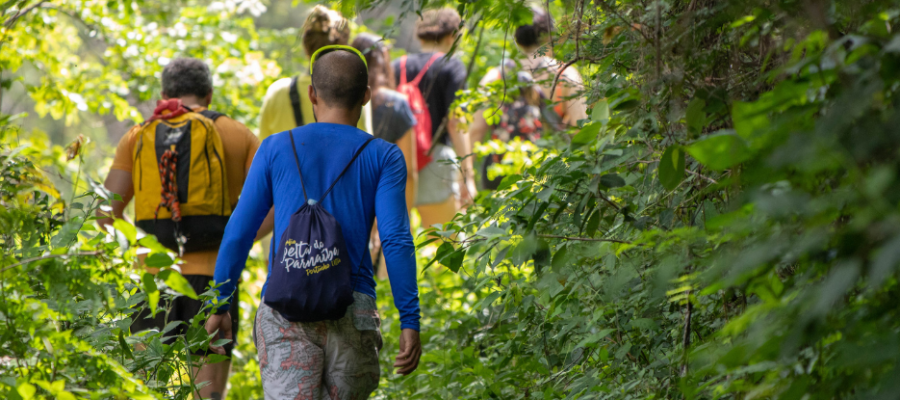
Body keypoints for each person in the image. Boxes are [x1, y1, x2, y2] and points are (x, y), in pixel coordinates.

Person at [205, 47, 421, 400]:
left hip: (285, 309)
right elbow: (396, 239)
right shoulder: (384, 156)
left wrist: (219, 304)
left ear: (312, 93)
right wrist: (410, 319)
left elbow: (239, 232)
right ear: (366, 96)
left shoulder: (275, 148)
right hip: (354, 308)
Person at [98, 57, 269, 400]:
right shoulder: (236, 135)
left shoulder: (137, 136)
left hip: (152, 280)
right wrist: (239, 241)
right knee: (208, 395)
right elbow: (280, 204)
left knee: (146, 389)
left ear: (164, 94)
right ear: (209, 94)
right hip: (213, 282)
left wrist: (142, 248)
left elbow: (105, 214)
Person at [256, 5, 374, 265]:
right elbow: (365, 162)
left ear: (307, 46)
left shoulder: (277, 93)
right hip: (342, 226)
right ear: (345, 46)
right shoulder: (354, 95)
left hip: (284, 229)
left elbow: (261, 167)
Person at [392, 7, 473, 230]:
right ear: (452, 36)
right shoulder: (452, 65)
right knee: (446, 248)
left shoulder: (396, 66)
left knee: (393, 246)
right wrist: (468, 175)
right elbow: (457, 122)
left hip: (397, 163)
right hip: (435, 161)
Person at [470, 7, 587, 146]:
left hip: (506, 164)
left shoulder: (495, 77)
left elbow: (475, 131)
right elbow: (581, 129)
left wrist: (467, 167)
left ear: (517, 38)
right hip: (550, 164)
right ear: (547, 37)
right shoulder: (566, 75)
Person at [352, 33, 418, 278]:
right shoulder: (397, 104)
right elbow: (409, 172)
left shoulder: (345, 101)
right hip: (386, 208)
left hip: (351, 204)